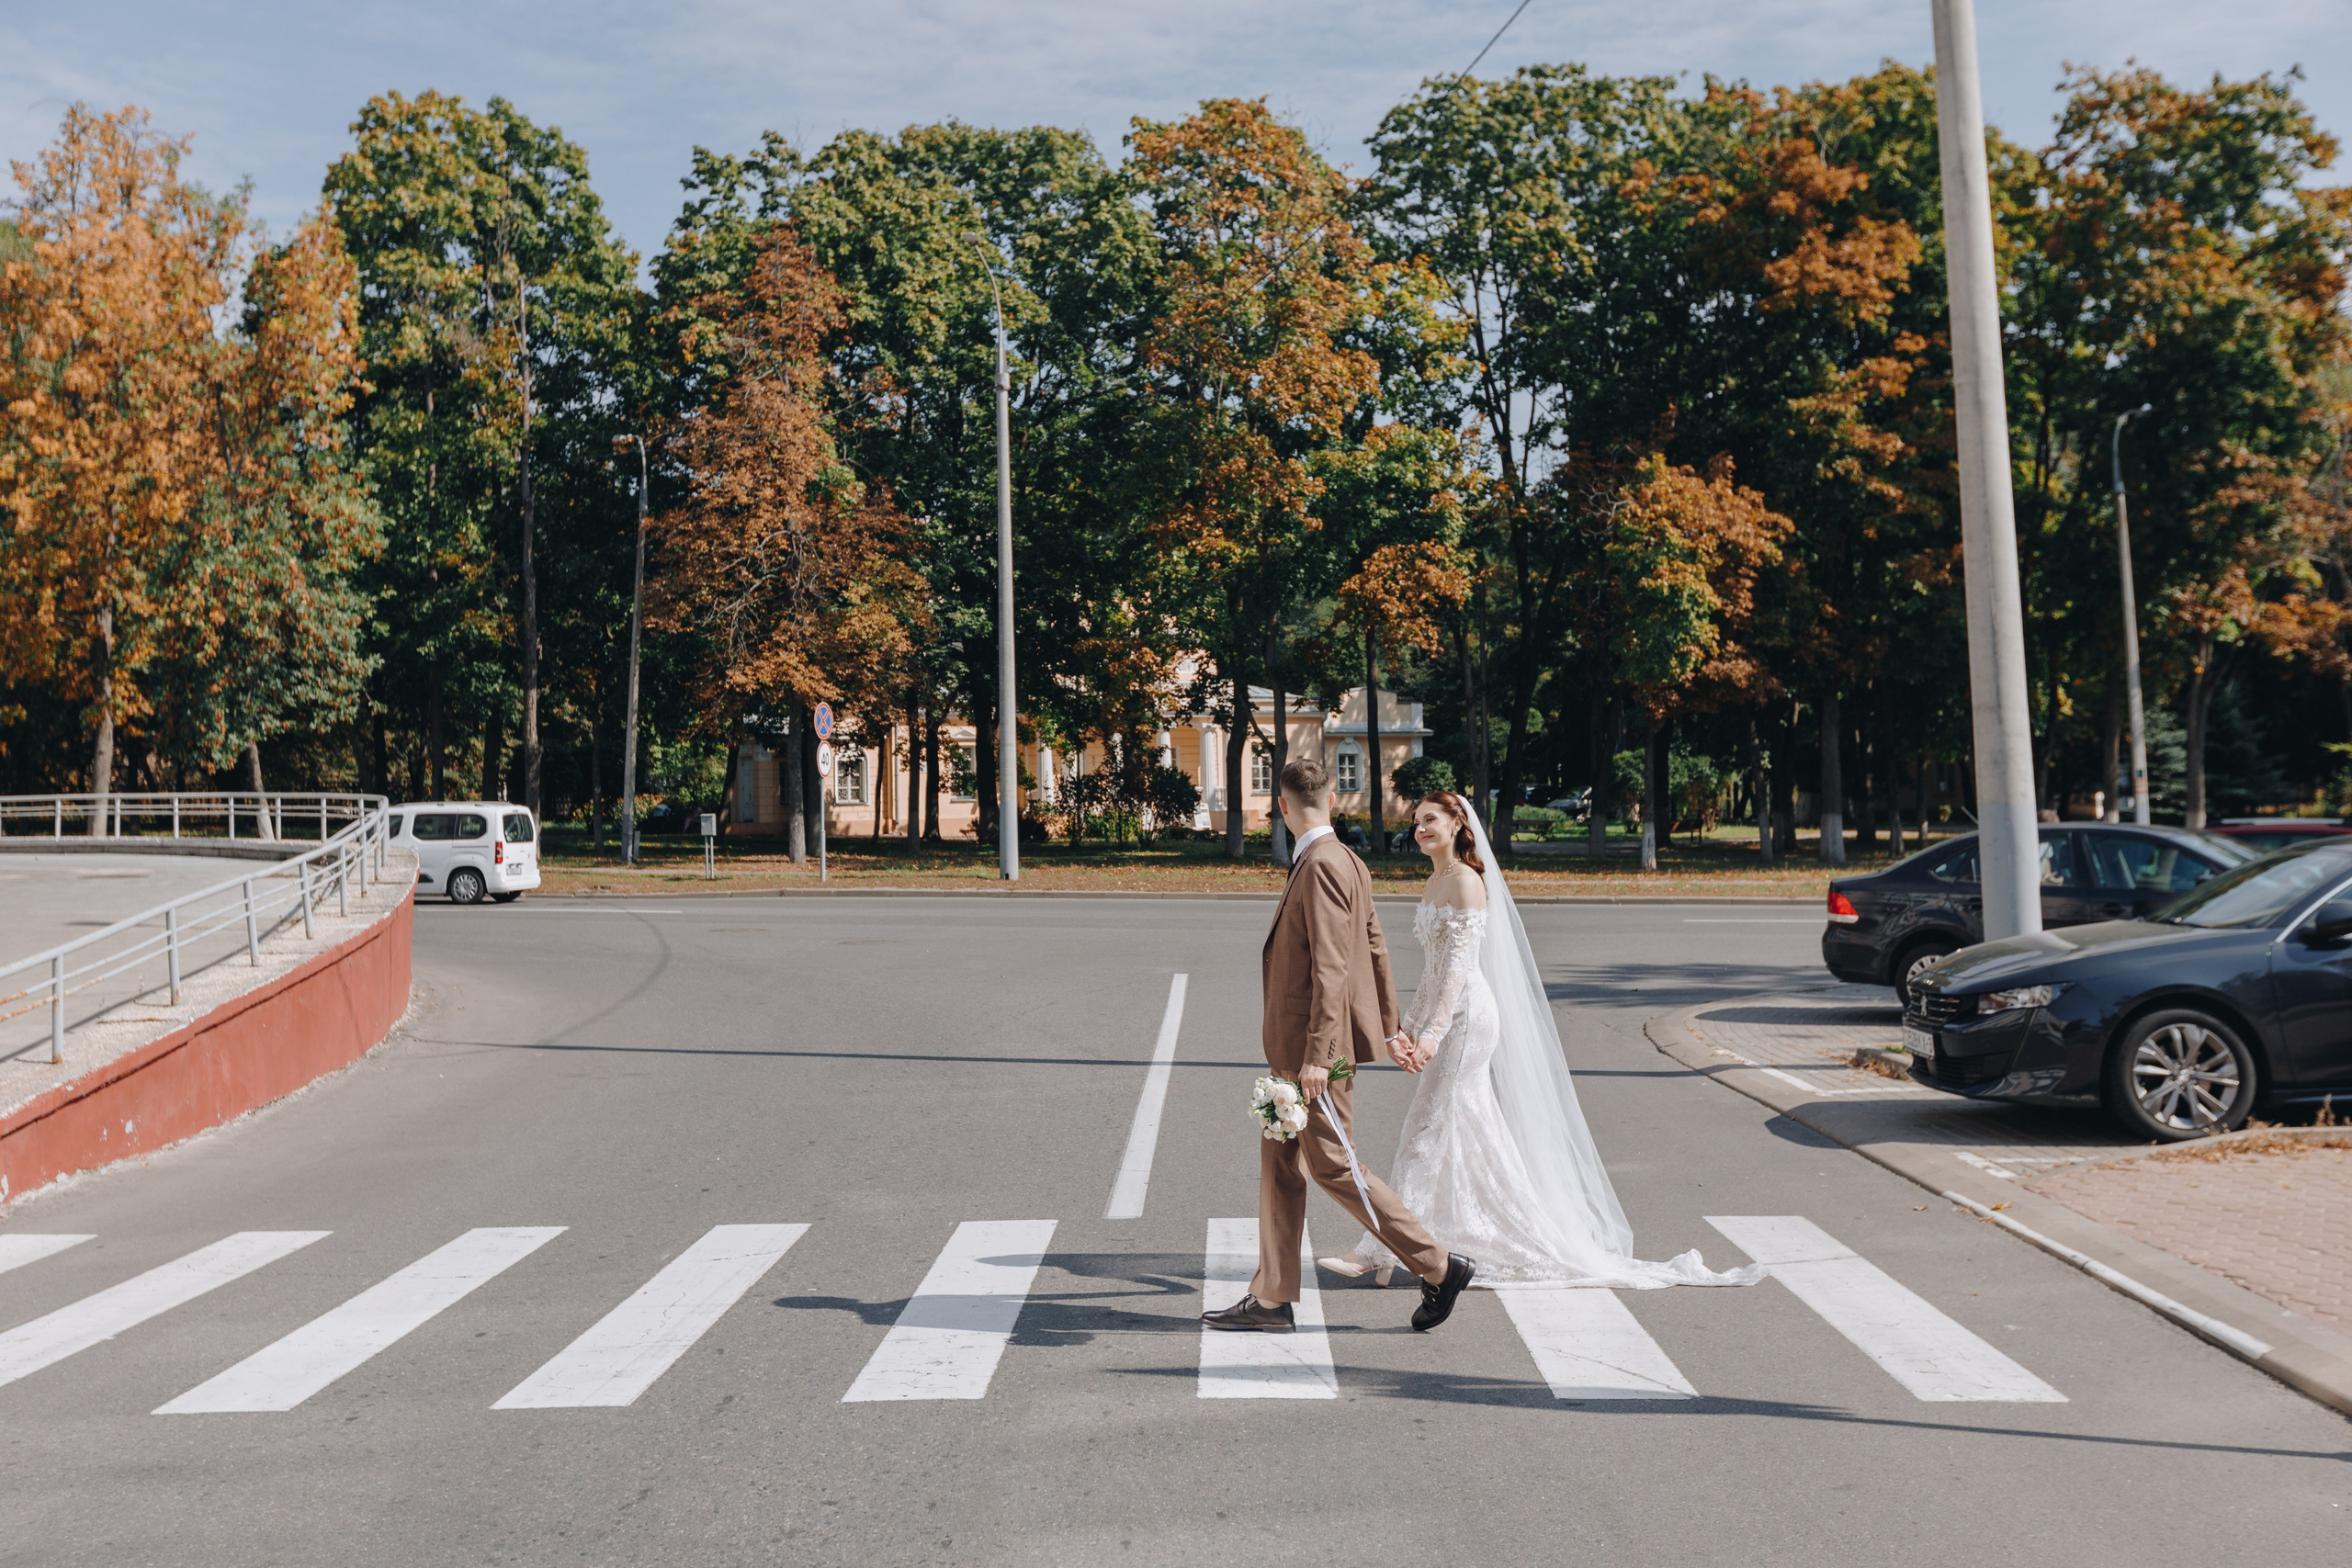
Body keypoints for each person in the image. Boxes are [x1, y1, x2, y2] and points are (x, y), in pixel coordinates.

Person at [1319, 789, 1763, 1290]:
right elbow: (1432, 972)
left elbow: (1458, 972)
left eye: (1431, 821)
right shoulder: (1436, 879)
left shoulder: (1465, 882)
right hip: (1448, 1017)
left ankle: (1380, 1249)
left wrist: (1433, 1035)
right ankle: (1410, 1247)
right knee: (1459, 1132)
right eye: (1417, 821)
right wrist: (1407, 1029)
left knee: (1424, 1131)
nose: (1420, 829)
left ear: (1457, 824)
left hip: (1466, 1022)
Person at [1201, 758, 1476, 1334]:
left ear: (1280, 807)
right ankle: (1271, 1298)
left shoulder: (1324, 863)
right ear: (1331, 800)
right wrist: (1391, 1028)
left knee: (1333, 1166)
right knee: (1281, 1166)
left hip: (1314, 1053)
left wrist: (1319, 1056)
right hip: (1298, 1049)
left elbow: (1332, 967)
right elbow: (1374, 949)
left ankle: (1437, 1264)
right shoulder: (1346, 859)